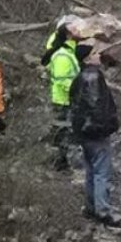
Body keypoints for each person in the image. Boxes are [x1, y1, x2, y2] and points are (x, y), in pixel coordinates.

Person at [69, 45, 121, 226]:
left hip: (83, 132)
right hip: (95, 132)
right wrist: (105, 127)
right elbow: (96, 106)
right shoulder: (93, 78)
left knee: (91, 170)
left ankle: (91, 206)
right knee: (101, 171)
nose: (98, 55)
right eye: (94, 53)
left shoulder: (78, 78)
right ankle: (103, 210)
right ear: (86, 59)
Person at [43, 25, 80, 171]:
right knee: (62, 131)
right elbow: (63, 79)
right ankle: (59, 162)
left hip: (64, 99)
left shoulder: (66, 52)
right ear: (68, 36)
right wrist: (76, 92)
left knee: (63, 131)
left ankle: (61, 161)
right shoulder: (63, 55)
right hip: (63, 100)